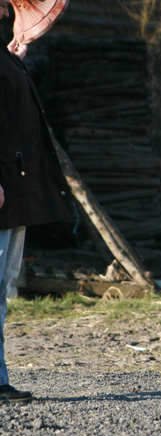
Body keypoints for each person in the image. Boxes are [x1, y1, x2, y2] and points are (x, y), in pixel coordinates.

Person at [0, 0, 73, 403]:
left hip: (15, 188)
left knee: (4, 282)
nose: (6, 9)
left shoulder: (5, 56)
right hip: (4, 187)